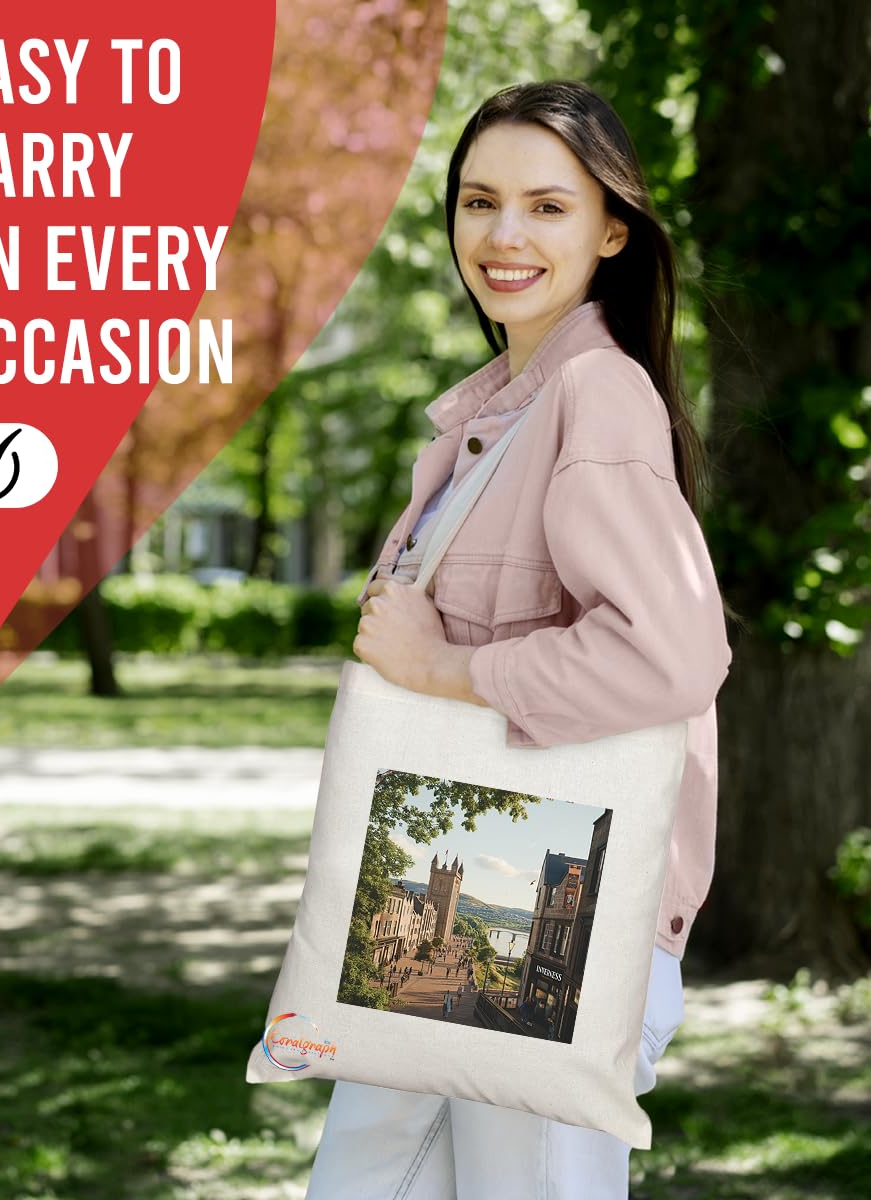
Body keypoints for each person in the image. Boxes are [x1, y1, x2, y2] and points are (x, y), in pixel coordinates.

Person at [305, 80, 731, 1200]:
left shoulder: (596, 398)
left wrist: (441, 668)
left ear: (610, 230)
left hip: (566, 921)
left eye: (546, 207)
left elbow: (669, 659)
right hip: (474, 899)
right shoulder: (498, 415)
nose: (502, 236)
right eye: (478, 201)